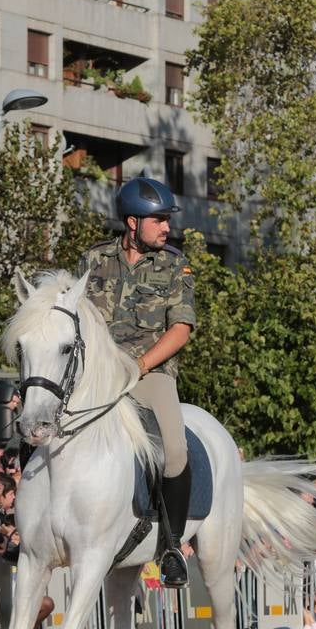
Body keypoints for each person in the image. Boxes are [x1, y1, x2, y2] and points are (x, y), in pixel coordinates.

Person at [78, 175, 196, 587]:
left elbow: (180, 329)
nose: (167, 227)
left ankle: (172, 546)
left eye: (167, 220)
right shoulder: (92, 260)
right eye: (159, 219)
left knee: (176, 451)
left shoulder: (174, 265)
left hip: (150, 373)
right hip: (94, 373)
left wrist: (140, 364)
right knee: (40, 422)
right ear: (132, 222)